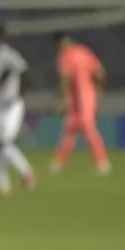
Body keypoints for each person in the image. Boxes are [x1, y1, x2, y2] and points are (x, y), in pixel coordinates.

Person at [0, 24, 35, 196]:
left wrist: (19, 95)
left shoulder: (8, 55)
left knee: (2, 143)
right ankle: (1, 185)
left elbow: (25, 72)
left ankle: (26, 171)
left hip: (10, 106)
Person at [50, 33, 110, 174]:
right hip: (88, 95)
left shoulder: (65, 55)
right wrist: (99, 89)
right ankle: (57, 163)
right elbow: (100, 72)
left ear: (60, 43)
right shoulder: (84, 51)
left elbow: (66, 77)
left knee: (86, 129)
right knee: (70, 129)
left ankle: (102, 163)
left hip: (77, 97)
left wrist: (59, 96)